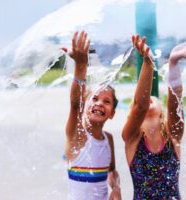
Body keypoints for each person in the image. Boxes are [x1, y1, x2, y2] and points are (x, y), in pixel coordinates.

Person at [122, 35, 186, 199]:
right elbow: (140, 106)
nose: (149, 100)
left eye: (154, 99)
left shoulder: (173, 136)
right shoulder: (131, 138)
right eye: (147, 99)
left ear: (162, 110)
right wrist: (148, 62)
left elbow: (175, 102)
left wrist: (173, 62)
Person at [63, 31, 121, 200]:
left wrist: (116, 189)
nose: (99, 103)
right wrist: (81, 66)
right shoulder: (78, 135)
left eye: (107, 101)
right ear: (86, 105)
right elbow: (75, 105)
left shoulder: (107, 139)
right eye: (94, 99)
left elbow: (112, 172)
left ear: (112, 114)